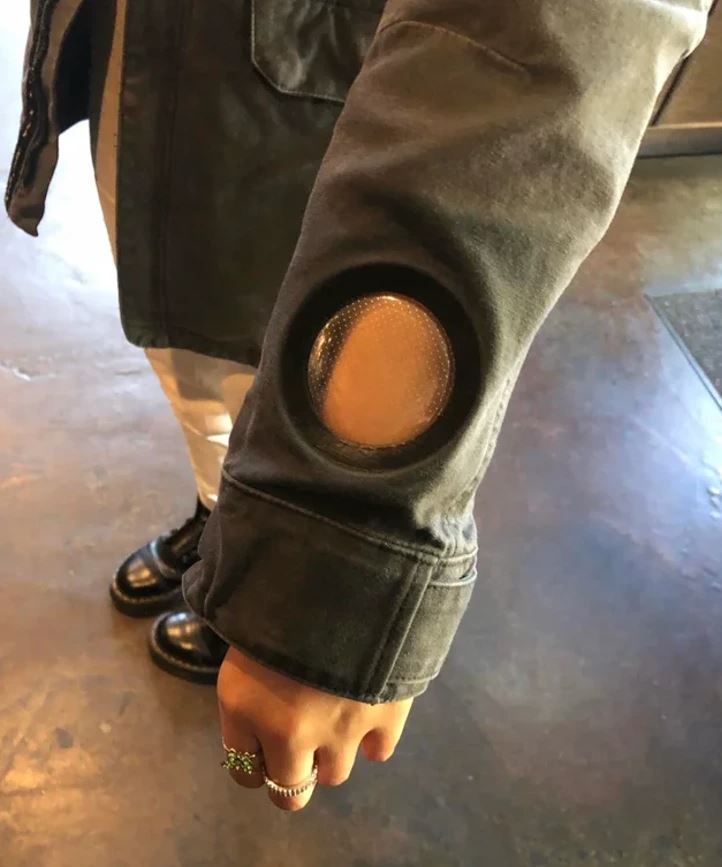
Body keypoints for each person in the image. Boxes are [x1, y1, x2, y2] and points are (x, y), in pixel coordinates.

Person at [7, 0, 710, 811]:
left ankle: (248, 539)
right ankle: (218, 513)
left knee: (271, 343)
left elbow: (536, 36)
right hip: (141, 59)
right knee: (183, 342)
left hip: (298, 73)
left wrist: (323, 557)